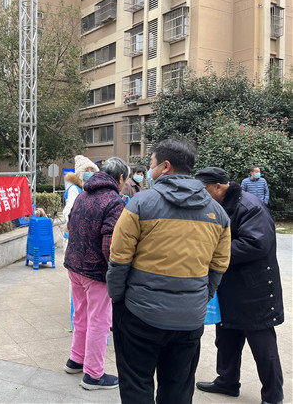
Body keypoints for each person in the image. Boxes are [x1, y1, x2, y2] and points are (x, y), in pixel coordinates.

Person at [106, 139, 231, 404]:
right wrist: (200, 297)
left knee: (136, 386)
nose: (147, 170)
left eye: (151, 163)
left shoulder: (140, 203)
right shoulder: (218, 214)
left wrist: (118, 298)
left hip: (139, 314)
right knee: (178, 389)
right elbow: (219, 266)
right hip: (189, 319)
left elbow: (119, 259)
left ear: (165, 166)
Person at [195, 167, 284, 404]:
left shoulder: (250, 206)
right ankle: (227, 381)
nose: (201, 196)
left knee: (262, 344)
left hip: (255, 287)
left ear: (217, 187)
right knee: (226, 337)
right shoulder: (219, 206)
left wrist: (214, 253)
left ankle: (273, 396)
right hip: (230, 285)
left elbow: (256, 244)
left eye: (203, 190)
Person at [63, 157, 129, 391]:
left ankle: (76, 360)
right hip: (96, 272)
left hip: (75, 266)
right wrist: (117, 274)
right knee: (99, 322)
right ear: (120, 178)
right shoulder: (114, 201)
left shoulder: (83, 194)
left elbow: (70, 225)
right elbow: (110, 244)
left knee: (80, 315)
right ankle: (93, 374)